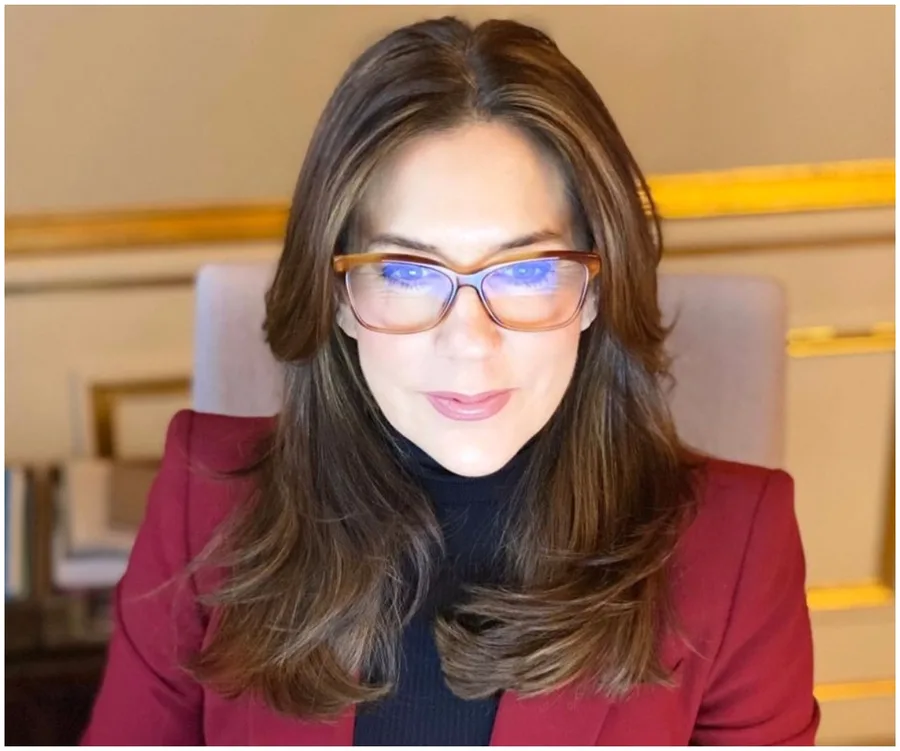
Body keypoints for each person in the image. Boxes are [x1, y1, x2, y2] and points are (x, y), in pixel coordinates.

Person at [81, 16, 820, 746]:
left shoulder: (739, 548)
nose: (469, 341)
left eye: (527, 269)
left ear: (595, 287)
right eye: (405, 270)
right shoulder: (200, 498)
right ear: (339, 295)